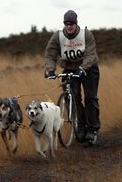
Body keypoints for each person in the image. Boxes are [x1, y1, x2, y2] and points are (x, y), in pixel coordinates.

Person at [44, 10, 100, 144]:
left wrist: (84, 68)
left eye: (71, 24)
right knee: (73, 98)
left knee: (90, 97)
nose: (69, 26)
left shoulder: (86, 34)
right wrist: (50, 69)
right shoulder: (57, 36)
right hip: (69, 68)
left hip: (89, 68)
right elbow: (50, 54)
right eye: (66, 24)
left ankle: (92, 129)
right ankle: (80, 128)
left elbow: (91, 54)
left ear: (76, 24)